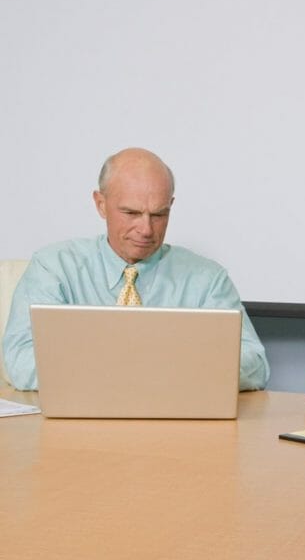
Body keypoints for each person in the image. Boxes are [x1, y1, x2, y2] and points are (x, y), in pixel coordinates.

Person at [3, 147, 269, 391]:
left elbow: (254, 364)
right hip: (79, 424)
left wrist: (104, 368)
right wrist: (148, 369)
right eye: (131, 213)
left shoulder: (207, 279)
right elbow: (22, 362)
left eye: (159, 215)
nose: (146, 229)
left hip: (176, 426)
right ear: (100, 204)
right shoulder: (54, 268)